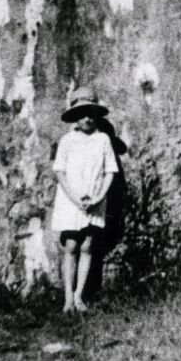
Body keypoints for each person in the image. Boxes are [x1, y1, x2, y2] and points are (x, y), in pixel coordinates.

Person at [51, 86, 118, 314]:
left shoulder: (103, 140)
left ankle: (80, 295)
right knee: (70, 245)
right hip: (71, 199)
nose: (87, 118)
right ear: (75, 118)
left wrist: (99, 197)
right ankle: (67, 297)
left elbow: (110, 171)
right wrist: (74, 198)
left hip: (95, 200)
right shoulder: (67, 141)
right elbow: (59, 172)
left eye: (91, 113)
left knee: (88, 245)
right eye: (82, 114)